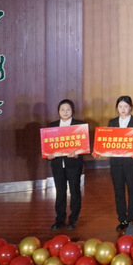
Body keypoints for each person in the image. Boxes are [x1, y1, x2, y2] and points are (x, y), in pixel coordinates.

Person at [47, 99, 84, 231]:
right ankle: (60, 219)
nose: (65, 112)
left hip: (73, 163)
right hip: (58, 164)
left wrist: (77, 154)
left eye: (68, 109)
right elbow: (47, 147)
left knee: (74, 191)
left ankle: (73, 219)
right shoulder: (52, 126)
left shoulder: (79, 125)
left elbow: (84, 146)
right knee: (60, 191)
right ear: (58, 111)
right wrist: (48, 156)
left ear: (72, 111)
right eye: (62, 109)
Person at [108, 95, 133, 231]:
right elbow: (108, 141)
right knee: (119, 191)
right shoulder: (112, 123)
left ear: (131, 107)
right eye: (120, 106)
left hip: (132, 163)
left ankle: (131, 218)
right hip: (116, 163)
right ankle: (122, 218)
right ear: (117, 108)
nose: (123, 109)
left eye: (126, 106)